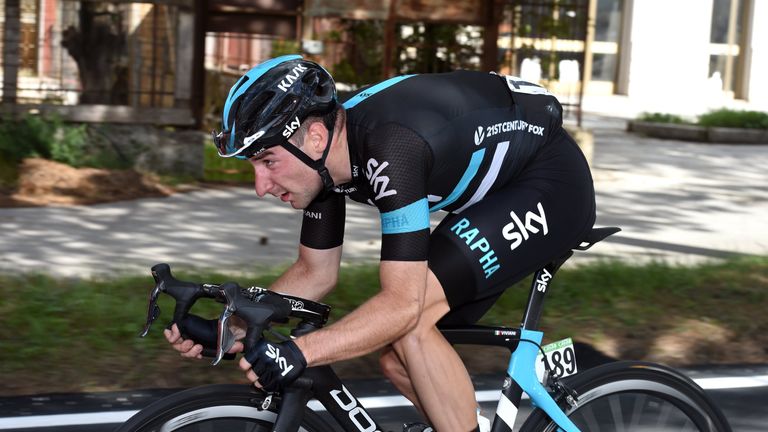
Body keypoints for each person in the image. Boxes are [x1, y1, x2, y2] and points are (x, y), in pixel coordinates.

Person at [165, 54, 596, 432]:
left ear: (314, 138)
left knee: (411, 323)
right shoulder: (326, 164)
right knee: (397, 358)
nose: (261, 186)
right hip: (496, 193)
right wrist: (229, 329)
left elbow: (403, 303)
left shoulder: (393, 146)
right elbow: (316, 273)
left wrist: (301, 351)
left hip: (550, 184)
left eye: (267, 161)